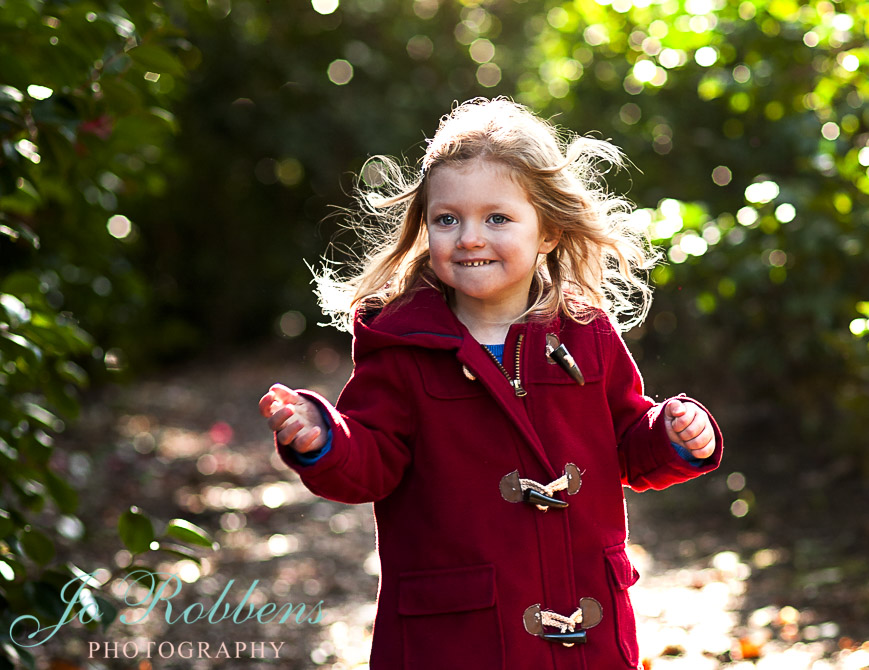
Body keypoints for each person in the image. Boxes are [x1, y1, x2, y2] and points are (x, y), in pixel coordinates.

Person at [259, 98, 722, 669]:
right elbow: (372, 459)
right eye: (447, 219)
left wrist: (674, 434)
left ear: (548, 232)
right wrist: (324, 436)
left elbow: (628, 441)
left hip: (583, 627)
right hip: (458, 636)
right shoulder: (403, 345)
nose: (469, 237)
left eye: (497, 218)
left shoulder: (586, 332)